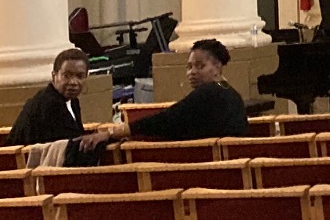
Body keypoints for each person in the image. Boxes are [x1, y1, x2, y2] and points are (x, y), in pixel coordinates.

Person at [107, 38, 250, 143]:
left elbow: (168, 119)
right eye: (189, 67)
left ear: (217, 67)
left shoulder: (209, 92)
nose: (192, 72)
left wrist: (120, 131)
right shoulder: (229, 91)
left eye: (200, 66)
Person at [7, 48, 121, 163]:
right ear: (54, 76)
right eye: (66, 76)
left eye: (80, 76)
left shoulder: (73, 101)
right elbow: (71, 146)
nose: (73, 82)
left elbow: (75, 137)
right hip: (18, 165)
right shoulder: (49, 103)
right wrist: (109, 136)